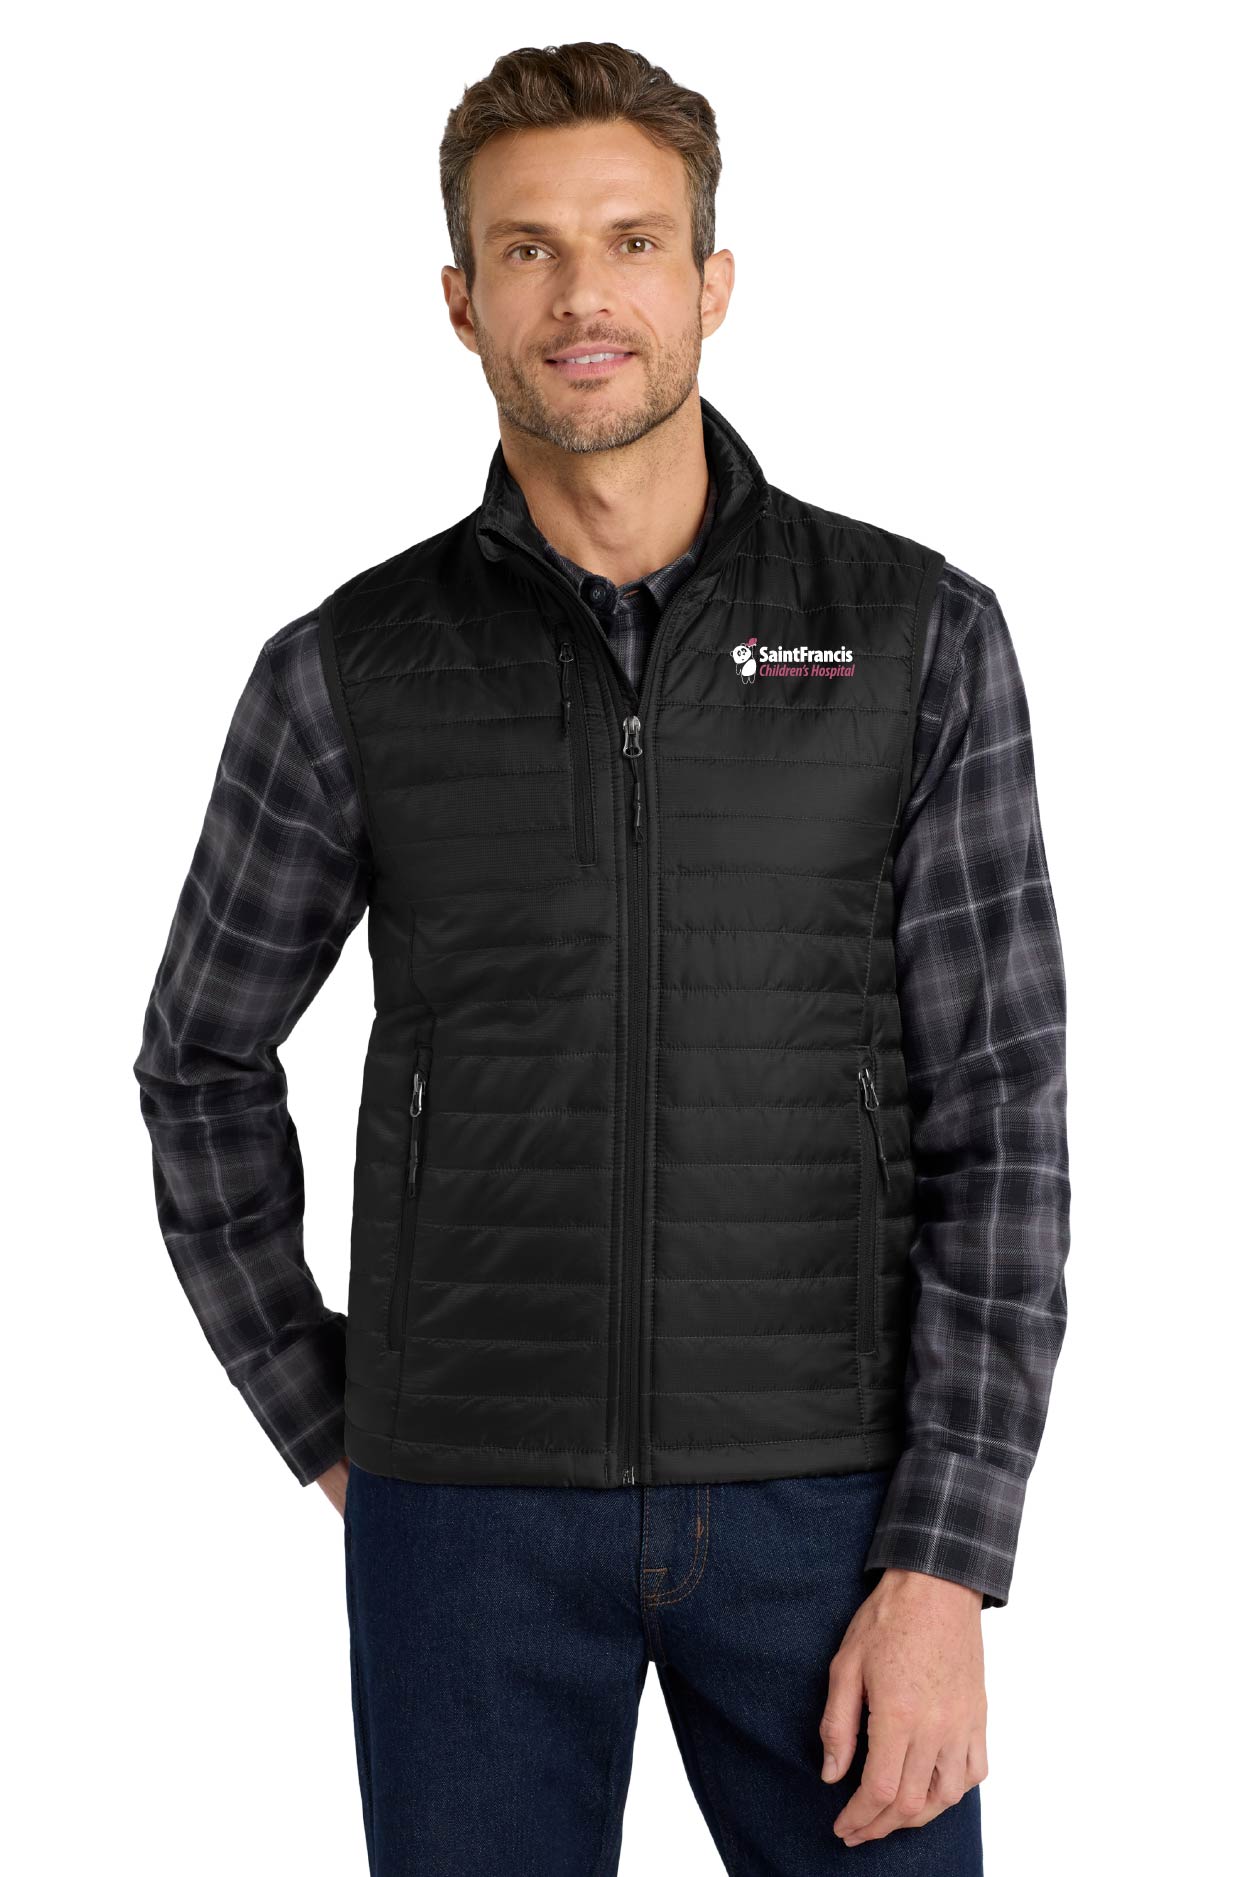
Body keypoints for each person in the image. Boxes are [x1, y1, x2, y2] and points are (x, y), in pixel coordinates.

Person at [133, 39, 1069, 1877]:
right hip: (467, 1518)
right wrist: (329, 1414)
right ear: (462, 302)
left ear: (711, 282)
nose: (585, 296)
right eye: (531, 250)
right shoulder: (347, 672)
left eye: (633, 242)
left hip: (831, 1506)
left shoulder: (915, 637)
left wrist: (950, 1554)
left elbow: (1004, 1113)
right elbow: (199, 1062)